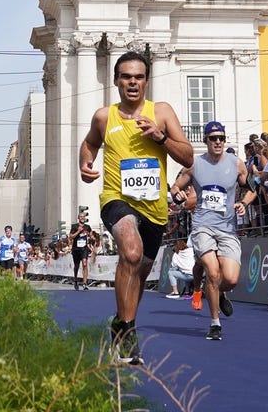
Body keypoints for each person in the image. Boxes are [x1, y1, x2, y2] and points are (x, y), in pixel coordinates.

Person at [79, 50, 192, 365]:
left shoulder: (162, 112)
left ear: (146, 81)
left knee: (139, 275)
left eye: (139, 77)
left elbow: (187, 157)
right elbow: (89, 143)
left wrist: (160, 138)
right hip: (116, 198)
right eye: (126, 76)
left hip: (154, 208)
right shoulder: (104, 116)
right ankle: (128, 334)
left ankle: (120, 323)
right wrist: (84, 164)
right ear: (116, 81)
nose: (132, 82)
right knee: (130, 251)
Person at [166, 120, 253, 342]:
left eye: (221, 138)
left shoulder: (237, 164)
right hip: (202, 226)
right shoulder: (194, 164)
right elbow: (175, 187)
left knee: (231, 280)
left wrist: (244, 203)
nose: (218, 142)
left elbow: (251, 190)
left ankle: (218, 292)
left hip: (228, 228)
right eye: (213, 138)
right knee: (213, 273)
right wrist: (178, 195)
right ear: (206, 140)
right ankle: (215, 323)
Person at [68, 210, 94, 290]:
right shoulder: (74, 226)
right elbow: (71, 237)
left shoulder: (87, 227)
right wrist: (78, 231)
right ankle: (75, 280)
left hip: (84, 248)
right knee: (76, 266)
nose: (82, 218)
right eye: (81, 217)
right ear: (78, 218)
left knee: (85, 264)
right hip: (76, 249)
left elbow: (91, 235)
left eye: (83, 217)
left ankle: (85, 283)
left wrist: (92, 237)